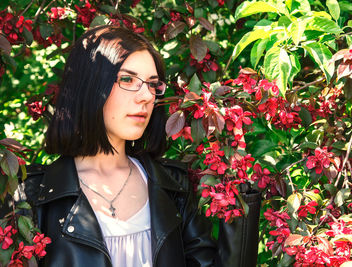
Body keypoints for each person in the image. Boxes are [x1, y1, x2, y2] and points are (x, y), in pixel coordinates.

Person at [20, 25, 261, 267]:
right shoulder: (33, 197)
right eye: (127, 79)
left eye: (152, 84)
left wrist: (240, 197)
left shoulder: (174, 186)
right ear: (91, 86)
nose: (146, 96)